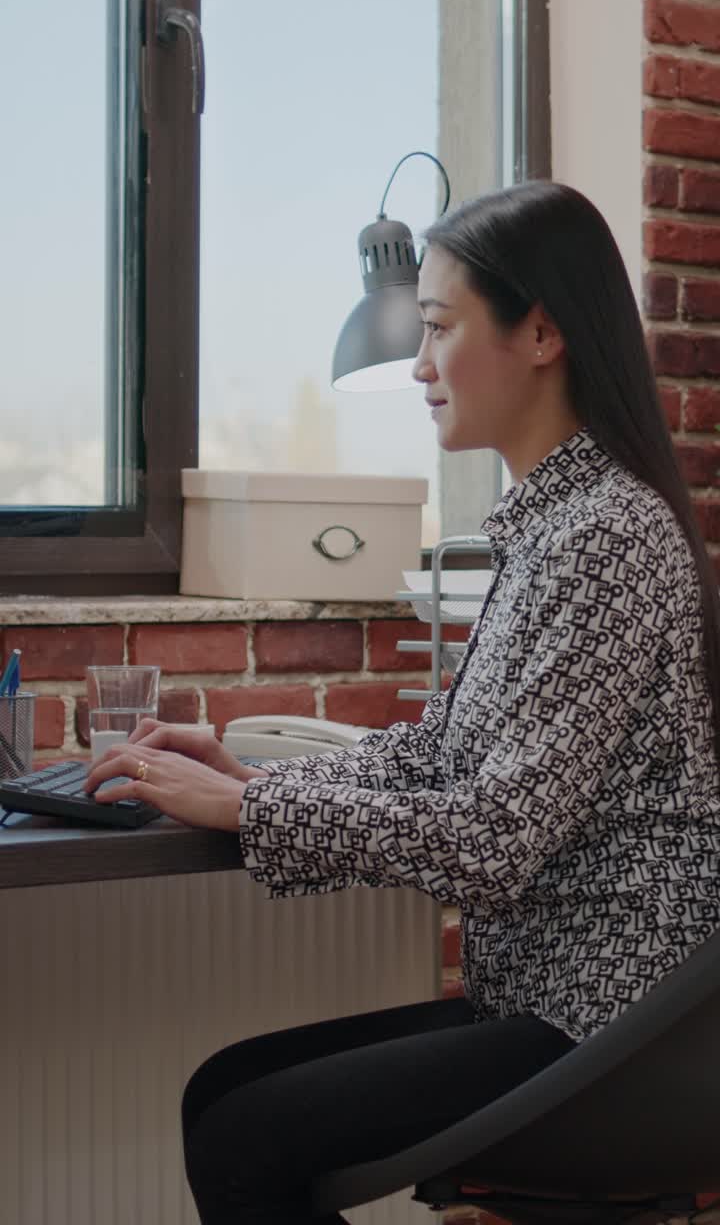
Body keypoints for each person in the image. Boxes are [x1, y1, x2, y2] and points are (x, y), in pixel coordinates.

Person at [86, 181, 720, 1225]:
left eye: (438, 327)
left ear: (544, 332)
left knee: (247, 1132)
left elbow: (494, 838)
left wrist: (245, 811)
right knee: (220, 1098)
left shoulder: (603, 537)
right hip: (551, 1005)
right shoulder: (554, 528)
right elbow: (444, 753)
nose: (421, 364)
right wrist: (255, 775)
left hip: (608, 1032)